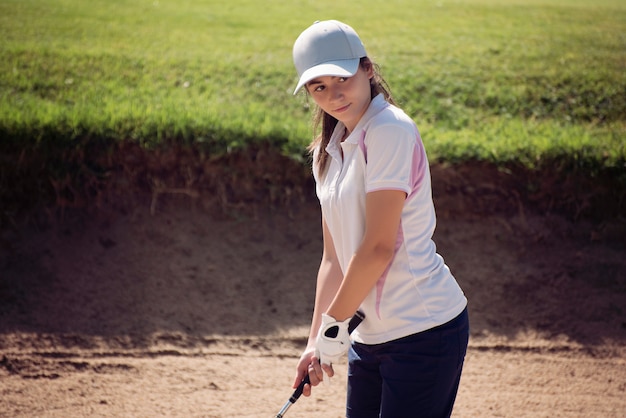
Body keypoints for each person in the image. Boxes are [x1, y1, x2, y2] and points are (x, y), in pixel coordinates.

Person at [290, 20, 470, 418]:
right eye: (319, 87)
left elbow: (377, 248)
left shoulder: (389, 129)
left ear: (367, 68)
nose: (334, 95)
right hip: (367, 338)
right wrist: (315, 339)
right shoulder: (327, 152)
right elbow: (333, 259)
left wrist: (334, 326)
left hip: (424, 330)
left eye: (343, 78)